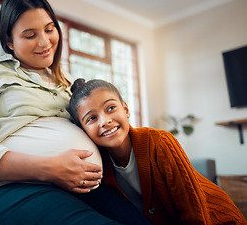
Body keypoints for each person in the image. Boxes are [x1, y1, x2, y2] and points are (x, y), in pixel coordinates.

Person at [0, 0, 149, 225]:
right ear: (9, 41)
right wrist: (49, 168)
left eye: (49, 29)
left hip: (79, 189)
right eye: (29, 35)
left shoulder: (70, 83)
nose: (44, 42)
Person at [68, 78, 247, 225]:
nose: (105, 121)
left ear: (126, 109)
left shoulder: (160, 142)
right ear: (83, 130)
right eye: (92, 118)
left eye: (111, 108)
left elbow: (194, 213)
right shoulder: (98, 166)